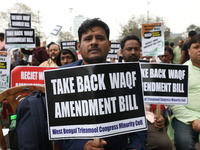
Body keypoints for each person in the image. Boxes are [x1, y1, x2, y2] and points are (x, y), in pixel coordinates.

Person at [57, 18, 147, 150]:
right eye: (88, 39)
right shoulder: (61, 77)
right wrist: (82, 146)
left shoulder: (126, 76)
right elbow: (54, 126)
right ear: (78, 46)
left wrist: (135, 147)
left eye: (99, 38)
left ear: (109, 45)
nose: (94, 42)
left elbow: (139, 121)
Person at [120, 35, 172, 150]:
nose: (133, 52)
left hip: (146, 117)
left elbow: (157, 99)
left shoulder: (150, 70)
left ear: (140, 51)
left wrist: (160, 115)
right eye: (129, 49)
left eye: (136, 49)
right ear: (121, 51)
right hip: (120, 120)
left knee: (165, 144)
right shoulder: (113, 71)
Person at [167, 34, 200, 150]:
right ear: (189, 50)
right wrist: (193, 120)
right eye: (196, 47)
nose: (199, 50)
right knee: (184, 143)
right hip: (185, 117)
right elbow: (175, 102)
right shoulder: (181, 72)